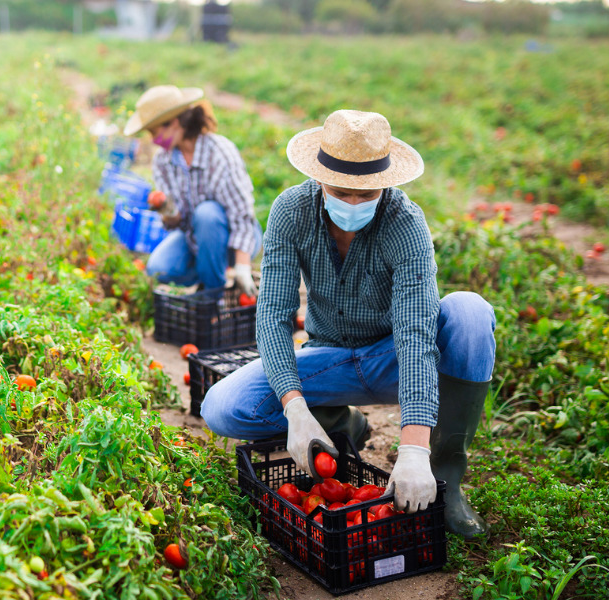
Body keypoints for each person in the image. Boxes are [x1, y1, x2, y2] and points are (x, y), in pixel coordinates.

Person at [200, 110, 496, 539]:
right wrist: (294, 408)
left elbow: (415, 335)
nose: (355, 203)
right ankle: (338, 421)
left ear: (386, 182)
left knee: (469, 312)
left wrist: (412, 448)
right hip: (329, 357)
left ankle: (445, 479)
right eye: (342, 191)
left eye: (368, 193)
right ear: (320, 178)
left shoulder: (406, 224)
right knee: (223, 407)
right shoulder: (291, 211)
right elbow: (274, 316)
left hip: (392, 358)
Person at [123, 85, 262, 295]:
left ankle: (211, 294)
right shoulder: (163, 160)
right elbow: (178, 220)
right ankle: (210, 274)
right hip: (195, 239)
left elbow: (241, 214)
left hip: (236, 238)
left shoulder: (219, 153)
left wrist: (242, 265)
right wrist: (166, 211)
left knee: (207, 213)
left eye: (155, 132)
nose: (154, 140)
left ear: (175, 123)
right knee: (158, 269)